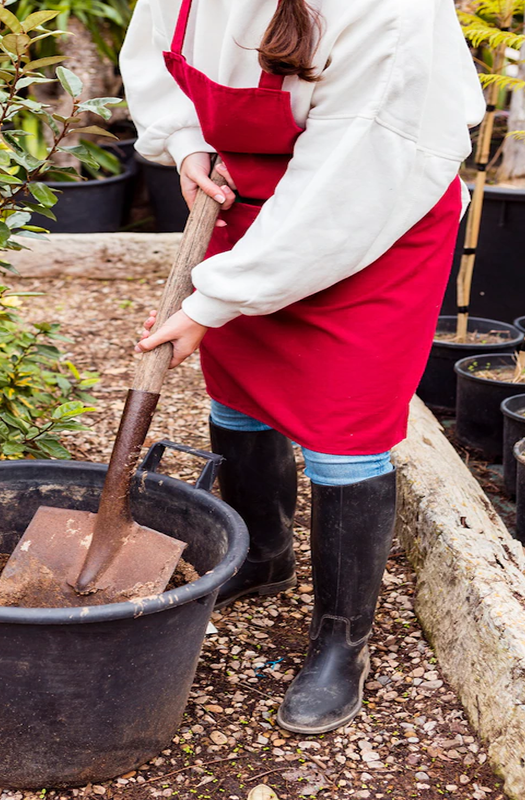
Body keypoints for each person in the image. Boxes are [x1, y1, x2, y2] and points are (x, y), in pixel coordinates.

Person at [120, 0, 485, 734]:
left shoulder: (390, 11)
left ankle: (342, 642)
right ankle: (264, 554)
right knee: (238, 391)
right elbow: (156, 55)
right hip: (248, 206)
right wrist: (189, 144)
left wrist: (212, 300)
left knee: (345, 431)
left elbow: (353, 181)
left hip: (372, 221)